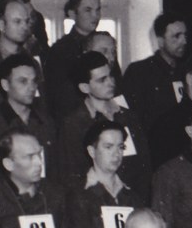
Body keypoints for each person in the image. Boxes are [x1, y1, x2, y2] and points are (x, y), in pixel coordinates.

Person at [55, 50, 151, 198]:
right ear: (84, 87)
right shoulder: (74, 124)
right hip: (94, 202)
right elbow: (71, 176)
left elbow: (143, 164)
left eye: (111, 76)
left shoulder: (128, 116)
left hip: (132, 198)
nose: (111, 83)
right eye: (102, 80)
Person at [64, 119, 146, 228]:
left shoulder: (131, 195)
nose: (116, 154)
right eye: (108, 147)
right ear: (92, 151)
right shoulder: (77, 195)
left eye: (121, 147)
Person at [0, 54, 55, 182]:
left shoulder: (45, 121)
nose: (32, 87)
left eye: (34, 81)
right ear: (5, 85)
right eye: (23, 81)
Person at [43, 0, 102, 120]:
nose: (95, 16)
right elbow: (60, 96)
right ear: (72, 14)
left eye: (98, 10)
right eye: (88, 10)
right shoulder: (60, 50)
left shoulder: (104, 43)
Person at [121, 13, 188, 127]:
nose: (184, 42)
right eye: (176, 36)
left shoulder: (188, 70)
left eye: (185, 36)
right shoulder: (139, 72)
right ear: (160, 41)